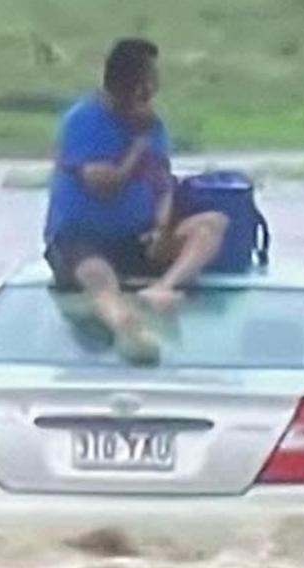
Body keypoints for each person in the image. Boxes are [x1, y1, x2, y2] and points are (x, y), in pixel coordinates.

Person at [43, 38, 227, 362]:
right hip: (81, 238)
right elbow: (101, 183)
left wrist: (160, 227)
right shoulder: (84, 120)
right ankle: (125, 322)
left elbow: (162, 184)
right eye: (146, 84)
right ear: (126, 86)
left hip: (135, 237)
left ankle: (164, 288)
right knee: (98, 276)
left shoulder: (153, 126)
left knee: (211, 224)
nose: (151, 92)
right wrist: (136, 149)